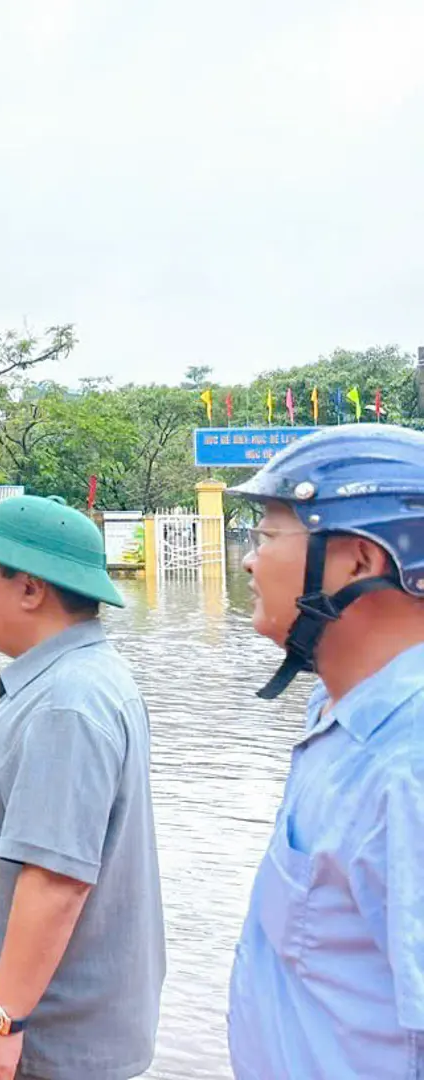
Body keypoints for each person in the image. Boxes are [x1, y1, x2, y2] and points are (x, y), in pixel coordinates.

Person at [0, 494, 164, 1080]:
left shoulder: (68, 703)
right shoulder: (65, 682)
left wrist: (3, 1019)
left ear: (30, 590)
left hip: (36, 1046)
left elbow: (56, 880)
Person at [225, 424, 424, 1078]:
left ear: (360, 561)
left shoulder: (408, 765)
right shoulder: (340, 712)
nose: (249, 561)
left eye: (268, 534)